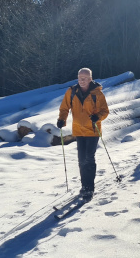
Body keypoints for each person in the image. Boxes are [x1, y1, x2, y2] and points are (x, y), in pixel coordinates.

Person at [57, 68, 109, 202]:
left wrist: (97, 117)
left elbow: (105, 111)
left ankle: (89, 188)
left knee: (88, 158)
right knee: (81, 160)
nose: (81, 80)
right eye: (80, 78)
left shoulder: (97, 94)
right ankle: (84, 186)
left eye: (84, 78)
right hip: (79, 131)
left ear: (90, 79)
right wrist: (62, 119)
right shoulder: (72, 91)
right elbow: (64, 107)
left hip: (92, 130)